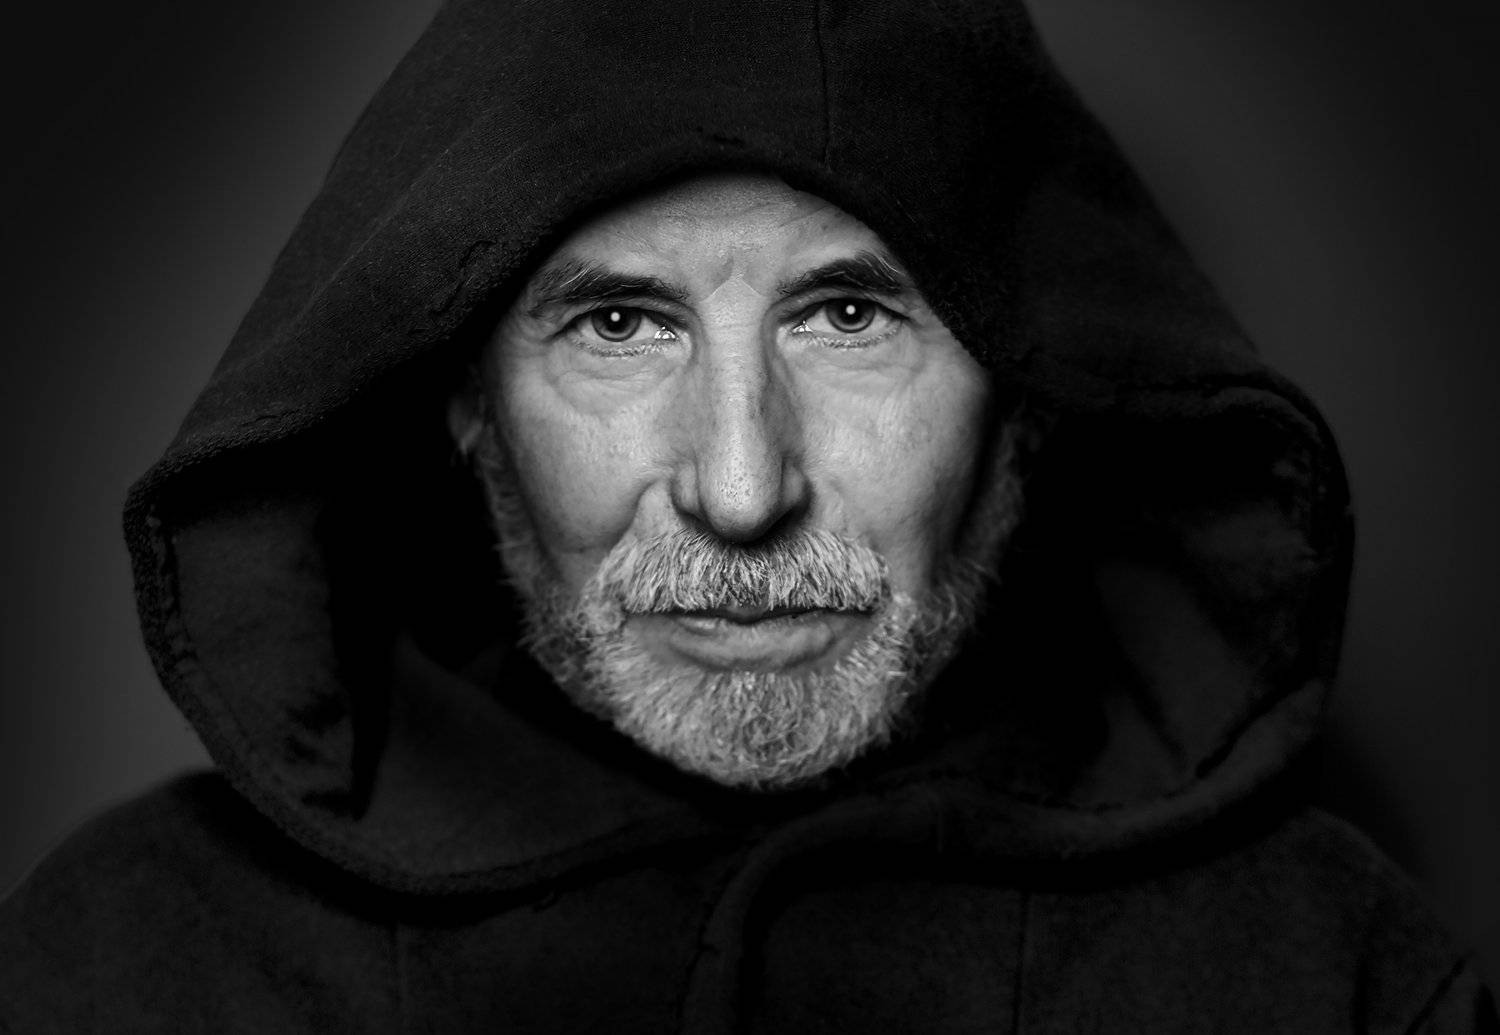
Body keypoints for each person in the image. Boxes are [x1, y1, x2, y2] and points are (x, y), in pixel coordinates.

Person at [1, 0, 1494, 1030]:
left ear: (1027, 383)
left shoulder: (1331, 973)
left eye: (848, 316)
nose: (739, 490)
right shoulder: (128, 968)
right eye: (621, 327)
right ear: (464, 397)